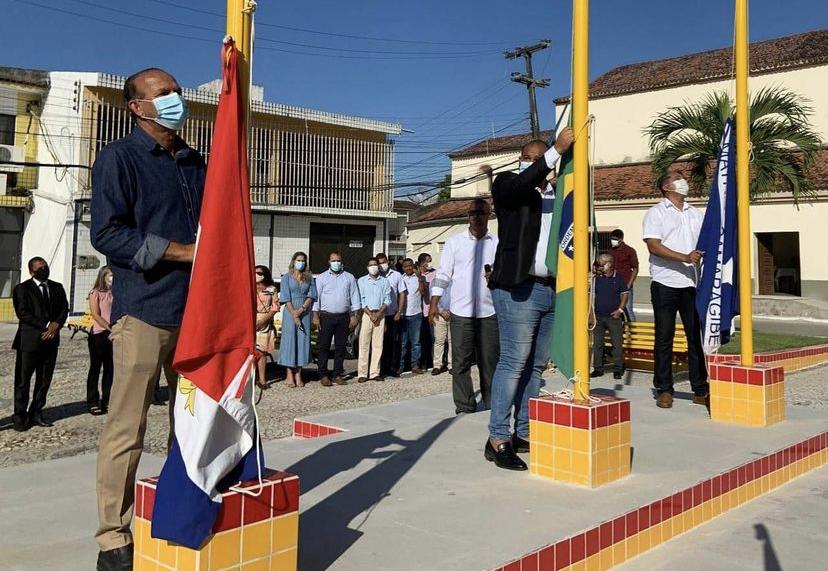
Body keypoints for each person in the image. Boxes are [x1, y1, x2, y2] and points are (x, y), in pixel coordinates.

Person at [90, 67, 203, 569]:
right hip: (144, 313)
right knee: (127, 428)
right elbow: (108, 234)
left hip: (196, 316)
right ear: (137, 107)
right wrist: (182, 253)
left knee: (192, 425)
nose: (176, 99)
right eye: (164, 94)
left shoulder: (193, 161)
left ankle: (183, 510)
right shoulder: (119, 158)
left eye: (177, 91)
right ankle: (113, 537)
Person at [486, 127, 575, 471]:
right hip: (518, 288)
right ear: (524, 161)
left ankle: (523, 431)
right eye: (534, 159)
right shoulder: (510, 187)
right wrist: (555, 150)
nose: (542, 165)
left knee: (536, 367)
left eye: (545, 160)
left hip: (553, 289)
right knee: (514, 362)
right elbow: (522, 184)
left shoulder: (560, 193)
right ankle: (497, 438)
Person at [643, 170, 708, 409]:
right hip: (665, 283)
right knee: (664, 337)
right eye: (678, 178)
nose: (684, 182)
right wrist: (685, 257)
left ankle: (700, 388)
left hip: (692, 284)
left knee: (695, 337)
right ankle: (664, 389)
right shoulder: (656, 213)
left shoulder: (694, 213)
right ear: (666, 187)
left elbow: (705, 243)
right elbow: (653, 246)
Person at [430, 199, 499, 414]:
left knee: (490, 362)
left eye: (481, 212)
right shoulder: (454, 242)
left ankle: (492, 403)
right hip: (461, 312)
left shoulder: (496, 243)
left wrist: (495, 275)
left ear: (489, 215)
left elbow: (504, 274)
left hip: (489, 311)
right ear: (468, 216)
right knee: (460, 363)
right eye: (472, 213)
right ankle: (465, 405)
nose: (476, 217)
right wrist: (434, 302)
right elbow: (443, 275)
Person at [11, 257, 69, 432]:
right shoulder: (22, 289)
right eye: (40, 268)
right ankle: (20, 416)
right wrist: (46, 325)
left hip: (50, 342)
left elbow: (64, 309)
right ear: (32, 271)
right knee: (23, 381)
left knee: (44, 380)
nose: (44, 269)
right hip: (29, 342)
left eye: (45, 267)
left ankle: (36, 411)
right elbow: (23, 313)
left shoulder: (56, 287)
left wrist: (56, 324)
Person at [313, 252, 361, 386]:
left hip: (343, 317)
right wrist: (315, 315)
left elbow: (355, 297)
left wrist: (355, 316)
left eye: (338, 260)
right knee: (323, 346)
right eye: (334, 260)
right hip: (326, 316)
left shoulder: (349, 278)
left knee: (340, 347)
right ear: (329, 262)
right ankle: (323, 374)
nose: (336, 263)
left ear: (342, 262)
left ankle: (337, 374)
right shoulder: (321, 278)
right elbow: (316, 298)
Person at [278, 252, 317, 388]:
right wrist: (294, 313)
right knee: (290, 341)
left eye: (303, 260)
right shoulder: (286, 278)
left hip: (304, 312)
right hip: (290, 312)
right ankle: (289, 373)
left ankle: (299, 373)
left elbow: (312, 295)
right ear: (293, 261)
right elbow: (285, 297)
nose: (301, 262)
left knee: (302, 342)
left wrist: (301, 309)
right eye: (298, 260)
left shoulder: (309, 278)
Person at [590, 253, 629, 381]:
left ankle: (618, 369)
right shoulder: (596, 278)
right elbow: (591, 295)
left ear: (609, 264)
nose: (600, 267)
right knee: (597, 344)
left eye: (602, 264)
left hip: (613, 317)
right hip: (599, 317)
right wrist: (591, 313)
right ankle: (598, 368)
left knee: (617, 344)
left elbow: (624, 294)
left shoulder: (618, 278)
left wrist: (620, 310)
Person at [357, 257, 392, 382]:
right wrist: (370, 313)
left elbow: (388, 299)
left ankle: (374, 372)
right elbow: (361, 299)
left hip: (380, 315)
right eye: (371, 265)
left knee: (378, 345)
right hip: (367, 315)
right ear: (367, 267)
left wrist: (379, 313)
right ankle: (362, 373)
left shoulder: (384, 281)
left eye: (375, 265)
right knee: (364, 343)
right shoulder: (361, 281)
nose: (373, 267)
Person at [87, 266, 114, 415]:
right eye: (110, 276)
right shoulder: (95, 293)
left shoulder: (114, 293)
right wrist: (109, 327)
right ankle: (92, 400)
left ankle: (107, 399)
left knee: (110, 368)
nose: (112, 278)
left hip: (113, 333)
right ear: (103, 276)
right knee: (95, 368)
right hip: (99, 333)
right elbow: (96, 314)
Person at [375, 252, 404, 376]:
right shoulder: (375, 276)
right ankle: (379, 368)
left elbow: (402, 293)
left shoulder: (397, 275)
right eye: (380, 263)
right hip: (378, 315)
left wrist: (399, 311)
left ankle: (392, 367)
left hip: (392, 314)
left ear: (388, 261)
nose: (383, 265)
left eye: (384, 262)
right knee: (378, 342)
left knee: (392, 342)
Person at [398, 258, 426, 375]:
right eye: (406, 266)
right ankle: (401, 366)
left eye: (410, 265)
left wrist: (419, 278)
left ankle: (415, 365)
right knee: (403, 343)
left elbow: (422, 292)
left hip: (416, 314)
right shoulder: (401, 278)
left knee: (416, 342)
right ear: (403, 267)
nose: (408, 268)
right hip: (404, 315)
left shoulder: (418, 278)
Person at [254, 265, 279, 389]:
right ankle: (249, 378)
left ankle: (262, 380)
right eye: (255, 272)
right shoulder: (249, 287)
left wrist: (264, 319)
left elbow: (275, 307)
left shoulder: (271, 289)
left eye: (259, 273)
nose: (256, 275)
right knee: (248, 352)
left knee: (261, 352)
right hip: (250, 321)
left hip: (265, 321)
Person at [608, 229, 639, 320]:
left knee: (627, 308)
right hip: (613, 284)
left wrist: (629, 284)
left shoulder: (630, 251)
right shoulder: (610, 251)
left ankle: (633, 330)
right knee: (616, 309)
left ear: (621, 239)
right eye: (612, 238)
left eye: (615, 239)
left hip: (625, 284)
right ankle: (620, 330)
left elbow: (635, 268)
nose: (613, 241)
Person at [418, 252, 436, 369]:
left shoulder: (434, 273)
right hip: (418, 311)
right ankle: (422, 362)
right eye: (427, 261)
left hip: (430, 310)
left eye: (430, 261)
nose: (429, 263)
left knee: (433, 338)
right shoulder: (417, 274)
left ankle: (433, 362)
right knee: (421, 339)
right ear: (422, 263)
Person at [430, 283, 452, 375]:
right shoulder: (435, 282)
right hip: (438, 314)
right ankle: (437, 365)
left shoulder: (455, 280)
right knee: (439, 341)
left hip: (453, 313)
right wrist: (441, 311)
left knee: (452, 341)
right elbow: (433, 299)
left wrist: (450, 310)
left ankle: (451, 365)